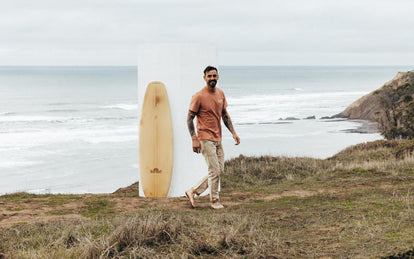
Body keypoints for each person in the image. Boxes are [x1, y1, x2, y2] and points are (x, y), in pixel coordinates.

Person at [185, 66, 240, 210]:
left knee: (219, 170)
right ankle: (214, 201)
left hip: (218, 137)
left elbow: (225, 115)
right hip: (204, 137)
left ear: (218, 77)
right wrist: (194, 138)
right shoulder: (198, 96)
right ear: (204, 78)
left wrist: (233, 133)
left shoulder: (220, 94)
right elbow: (189, 119)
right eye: (209, 76)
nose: (212, 79)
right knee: (214, 170)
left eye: (214, 76)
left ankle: (193, 190)